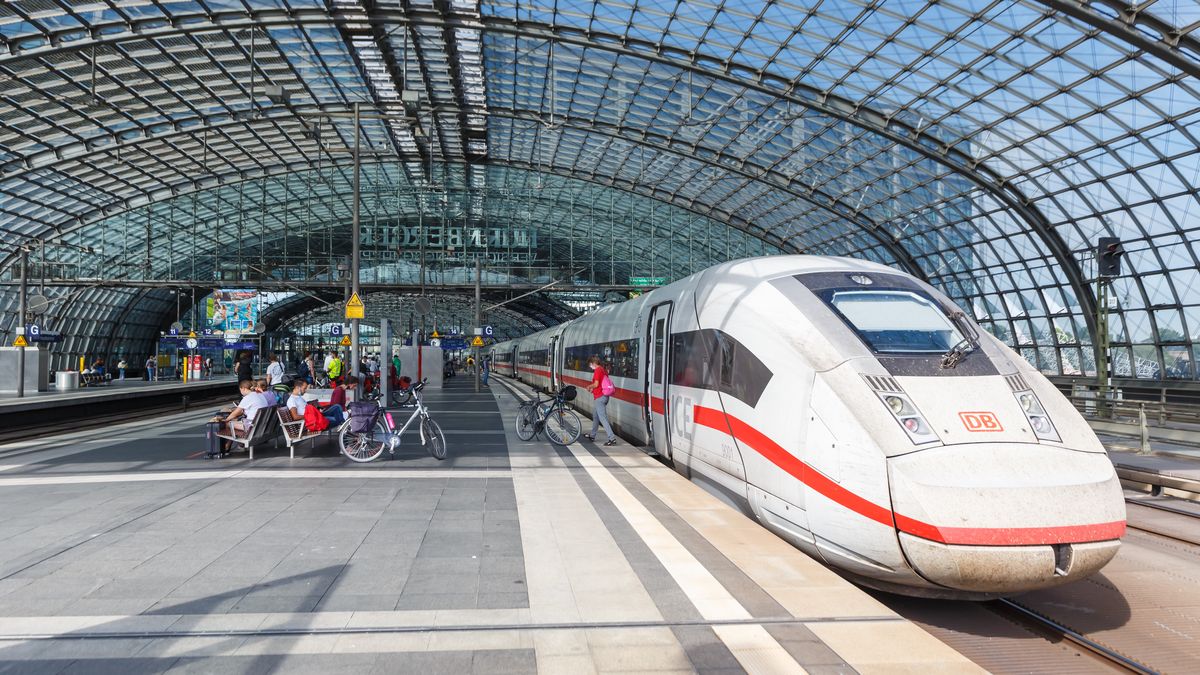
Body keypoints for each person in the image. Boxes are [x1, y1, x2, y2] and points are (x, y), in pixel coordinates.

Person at [584, 355, 617, 446]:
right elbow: (600, 384)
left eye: (590, 364)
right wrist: (593, 389)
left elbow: (596, 384)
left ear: (593, 363)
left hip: (600, 397)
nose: (590, 366)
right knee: (595, 416)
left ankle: (612, 438)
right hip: (602, 397)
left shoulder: (598, 370)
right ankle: (592, 435)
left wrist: (589, 386)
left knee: (602, 418)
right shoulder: (603, 370)